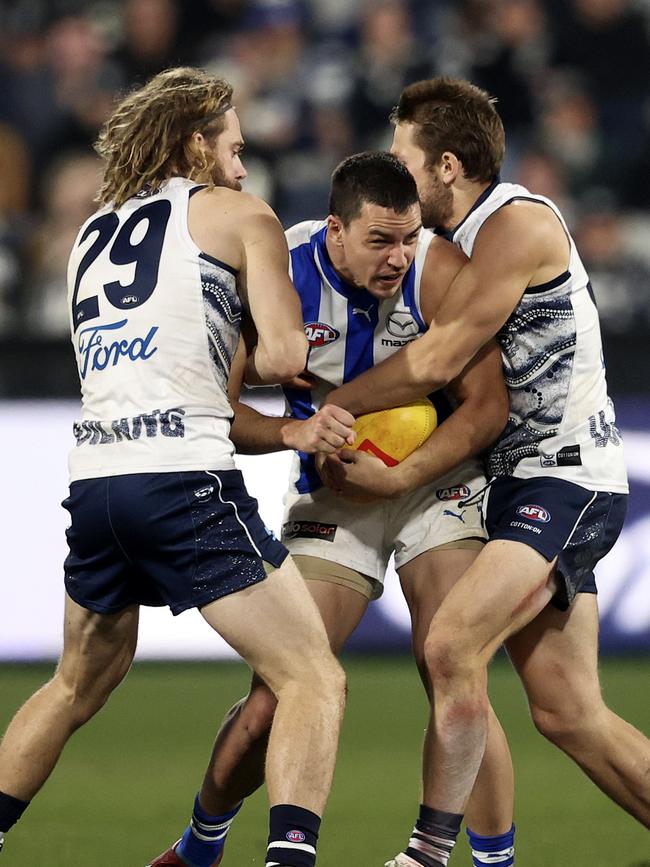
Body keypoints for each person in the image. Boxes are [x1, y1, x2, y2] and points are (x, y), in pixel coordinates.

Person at [0, 67, 347, 867]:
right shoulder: (240, 215)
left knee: (75, 684)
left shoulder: (92, 233)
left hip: (95, 483)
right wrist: (307, 349)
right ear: (195, 142)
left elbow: (166, 349)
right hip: (181, 478)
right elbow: (288, 352)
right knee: (311, 678)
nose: (243, 166)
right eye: (233, 147)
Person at [150, 151, 517, 867]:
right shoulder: (275, 269)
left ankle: (487, 860)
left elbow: (487, 406)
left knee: (453, 663)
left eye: (408, 236)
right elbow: (217, 411)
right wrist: (295, 432)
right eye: (381, 240)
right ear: (335, 231)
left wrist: (402, 472)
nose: (399, 256)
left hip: (433, 479)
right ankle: (202, 841)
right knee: (278, 692)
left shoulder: (436, 271)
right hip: (331, 492)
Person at [321, 78, 650, 866]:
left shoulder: (517, 224)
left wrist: (332, 406)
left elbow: (434, 359)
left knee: (450, 643)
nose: (394, 176)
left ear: (443, 164)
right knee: (570, 713)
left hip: (566, 477)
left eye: (402, 157)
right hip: (524, 482)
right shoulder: (470, 240)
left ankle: (430, 851)